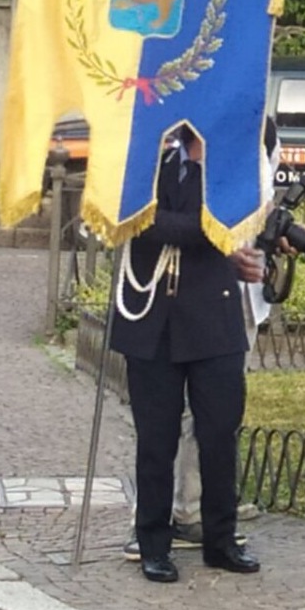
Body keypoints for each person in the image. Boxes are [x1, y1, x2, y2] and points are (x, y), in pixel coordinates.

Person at [111, 122, 265, 583]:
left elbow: (233, 218)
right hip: (151, 319)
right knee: (156, 441)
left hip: (212, 323)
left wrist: (191, 223)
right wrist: (203, 229)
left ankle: (221, 541)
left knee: (219, 436)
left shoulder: (226, 167)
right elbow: (136, 220)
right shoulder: (144, 159)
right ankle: (153, 543)